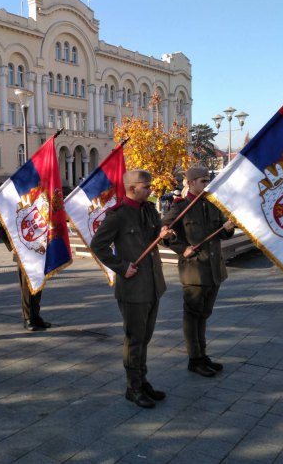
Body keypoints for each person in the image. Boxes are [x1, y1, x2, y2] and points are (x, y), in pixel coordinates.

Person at [91, 169, 174, 409]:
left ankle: (143, 380)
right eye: (146, 187)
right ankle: (133, 387)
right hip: (133, 287)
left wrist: (164, 235)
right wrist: (121, 267)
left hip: (152, 284)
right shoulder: (117, 215)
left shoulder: (148, 209)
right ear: (132, 188)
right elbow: (99, 245)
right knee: (135, 339)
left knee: (145, 337)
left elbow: (155, 235)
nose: (150, 190)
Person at [162, 166, 235, 377]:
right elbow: (165, 232)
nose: (206, 184)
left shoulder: (212, 206)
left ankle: (202, 355)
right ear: (191, 183)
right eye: (203, 181)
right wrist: (181, 247)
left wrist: (228, 229)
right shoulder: (180, 207)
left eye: (208, 180)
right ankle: (194, 359)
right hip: (194, 271)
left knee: (204, 315)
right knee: (192, 316)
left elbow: (220, 233)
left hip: (214, 270)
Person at [0, 223, 51, 331]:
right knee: (27, 290)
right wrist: (12, 245)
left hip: (40, 254)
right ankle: (28, 319)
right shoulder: (16, 208)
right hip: (24, 256)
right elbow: (1, 228)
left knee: (37, 287)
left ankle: (36, 317)